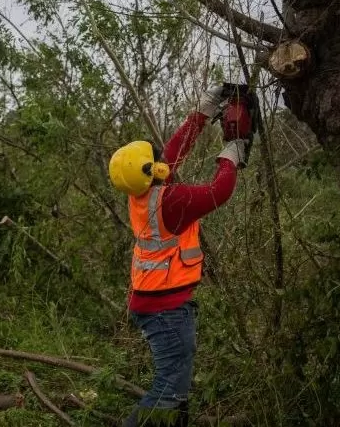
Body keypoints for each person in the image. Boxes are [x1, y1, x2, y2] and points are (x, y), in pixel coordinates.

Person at [108, 86, 253, 427]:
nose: (161, 159)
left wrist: (204, 111)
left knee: (176, 386)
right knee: (168, 389)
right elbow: (219, 191)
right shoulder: (171, 202)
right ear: (151, 171)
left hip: (155, 303)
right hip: (166, 310)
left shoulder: (141, 192)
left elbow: (172, 152)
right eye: (154, 158)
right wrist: (231, 152)